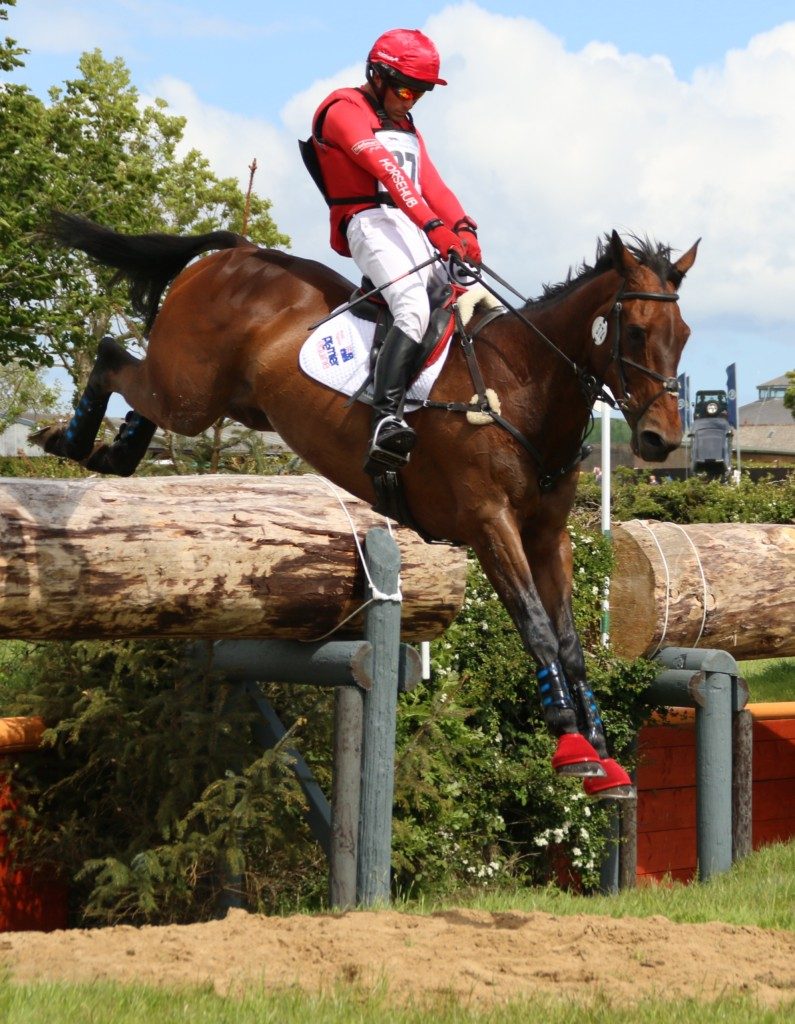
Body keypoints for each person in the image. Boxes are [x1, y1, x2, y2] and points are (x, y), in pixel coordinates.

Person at [300, 28, 482, 470]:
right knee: (413, 308)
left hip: (411, 220)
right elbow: (390, 175)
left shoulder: (405, 124)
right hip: (369, 222)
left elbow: (429, 184)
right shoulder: (342, 109)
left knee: (464, 302)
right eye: (404, 89)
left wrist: (464, 229)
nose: (410, 101)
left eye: (419, 94)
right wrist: (439, 231)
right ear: (376, 75)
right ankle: (384, 420)